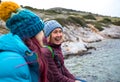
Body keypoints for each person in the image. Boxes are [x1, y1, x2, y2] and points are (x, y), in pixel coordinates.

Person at [0, 1, 48, 82]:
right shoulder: (13, 63)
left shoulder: (24, 56)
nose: (44, 34)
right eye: (41, 30)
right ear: (32, 33)